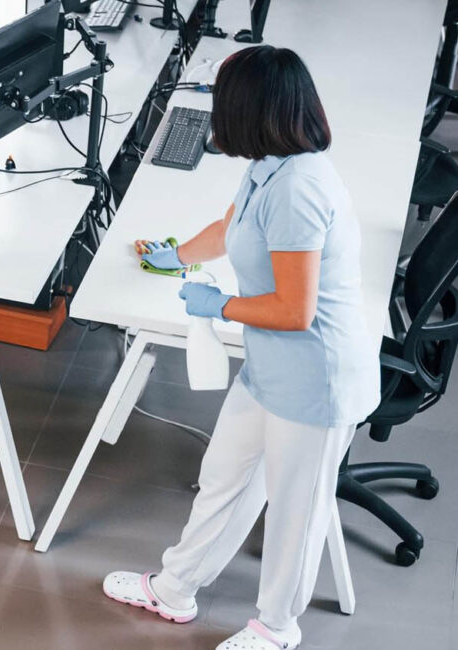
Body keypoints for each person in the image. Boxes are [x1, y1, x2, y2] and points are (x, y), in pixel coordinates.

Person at [104, 46, 379, 650]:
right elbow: (230, 229)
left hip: (316, 383)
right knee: (224, 479)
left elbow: (294, 310)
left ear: (248, 111)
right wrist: (174, 256)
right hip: (270, 368)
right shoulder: (268, 167)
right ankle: (175, 587)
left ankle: (277, 628)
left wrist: (220, 305)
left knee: (294, 514)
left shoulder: (299, 189)